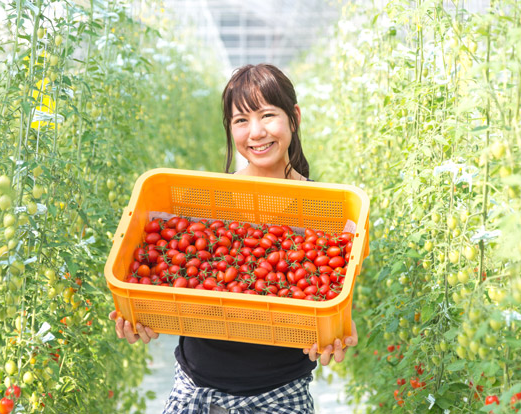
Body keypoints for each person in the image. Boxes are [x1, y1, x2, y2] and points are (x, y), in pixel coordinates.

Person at [109, 63, 358, 414]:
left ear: (294, 117)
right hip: (195, 389)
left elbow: (336, 302)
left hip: (280, 395)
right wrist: (143, 315)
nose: (255, 132)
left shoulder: (325, 214)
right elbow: (181, 288)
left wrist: (338, 336)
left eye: (268, 115)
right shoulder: (211, 201)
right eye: (241, 120)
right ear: (229, 128)